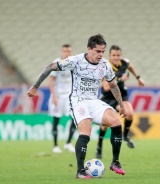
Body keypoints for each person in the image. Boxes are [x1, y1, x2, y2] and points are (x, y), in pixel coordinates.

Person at [27, 34, 127, 179]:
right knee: (86, 131)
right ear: (89, 49)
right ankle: (80, 170)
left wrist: (121, 105)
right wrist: (35, 87)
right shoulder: (76, 61)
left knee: (116, 122)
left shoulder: (105, 65)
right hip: (78, 101)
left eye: (103, 51)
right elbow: (50, 67)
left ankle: (115, 162)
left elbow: (113, 85)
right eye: (97, 51)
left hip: (94, 101)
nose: (100, 55)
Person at [96, 45, 145, 159]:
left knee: (130, 114)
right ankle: (99, 145)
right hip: (108, 97)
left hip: (121, 95)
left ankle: (125, 135)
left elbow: (130, 66)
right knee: (104, 126)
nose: (116, 58)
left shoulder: (124, 63)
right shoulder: (105, 66)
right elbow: (106, 87)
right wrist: (119, 80)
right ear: (109, 56)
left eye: (118, 55)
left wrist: (138, 77)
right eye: (114, 55)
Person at [48, 44, 76, 153]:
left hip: (69, 96)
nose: (67, 53)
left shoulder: (73, 63)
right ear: (61, 52)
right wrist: (54, 96)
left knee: (74, 117)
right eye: (65, 51)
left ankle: (68, 143)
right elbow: (51, 81)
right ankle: (55, 145)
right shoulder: (57, 63)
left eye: (69, 51)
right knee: (56, 119)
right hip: (58, 96)